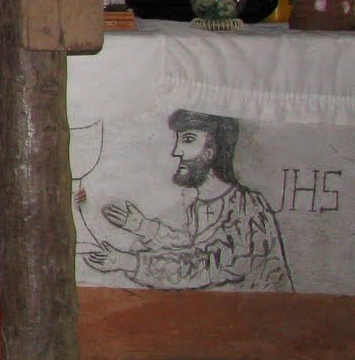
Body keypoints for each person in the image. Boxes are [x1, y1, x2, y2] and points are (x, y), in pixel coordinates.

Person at [83, 109, 291, 291]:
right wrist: (142, 226)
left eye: (188, 140)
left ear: (210, 151)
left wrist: (129, 262)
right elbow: (191, 244)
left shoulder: (248, 207)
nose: (176, 151)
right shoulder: (200, 205)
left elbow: (204, 264)